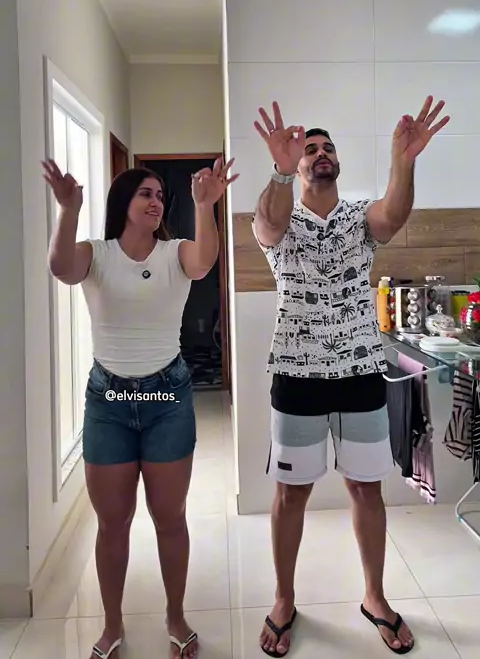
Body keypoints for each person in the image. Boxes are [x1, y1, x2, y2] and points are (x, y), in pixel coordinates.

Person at [252, 97, 449, 656]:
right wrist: (278, 171)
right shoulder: (280, 215)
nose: (319, 153)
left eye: (327, 148)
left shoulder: (360, 216)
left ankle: (374, 597)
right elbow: (268, 224)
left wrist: (403, 161)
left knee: (366, 488)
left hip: (360, 370)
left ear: (337, 162)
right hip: (296, 372)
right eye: (309, 148)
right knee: (291, 493)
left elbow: (394, 214)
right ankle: (284, 599)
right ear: (296, 164)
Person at [42, 158, 237, 659]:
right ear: (123, 203)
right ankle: (111, 625)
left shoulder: (175, 253)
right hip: (109, 400)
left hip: (166, 398)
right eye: (145, 193)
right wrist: (68, 210)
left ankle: (175, 616)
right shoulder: (97, 254)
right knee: (113, 522)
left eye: (160, 195)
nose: (156, 201)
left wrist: (204, 205)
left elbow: (205, 262)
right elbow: (61, 268)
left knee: (170, 517)